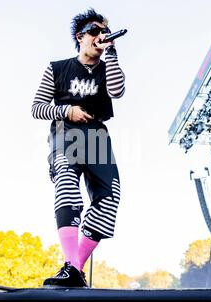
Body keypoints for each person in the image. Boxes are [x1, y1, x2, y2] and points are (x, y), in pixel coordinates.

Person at [31, 8, 125, 287]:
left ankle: (74, 269)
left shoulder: (109, 67)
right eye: (95, 30)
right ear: (80, 37)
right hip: (66, 133)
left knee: (110, 198)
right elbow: (36, 108)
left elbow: (118, 91)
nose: (100, 35)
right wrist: (66, 110)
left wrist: (113, 55)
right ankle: (72, 266)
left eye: (104, 32)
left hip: (97, 135)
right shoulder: (57, 68)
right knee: (69, 190)